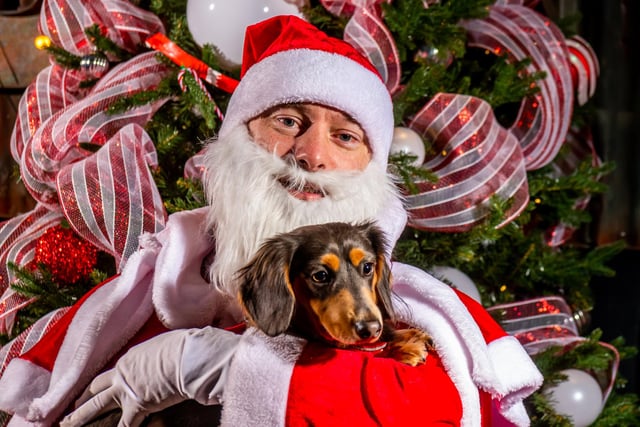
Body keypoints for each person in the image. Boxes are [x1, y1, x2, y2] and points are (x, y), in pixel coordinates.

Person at [0, 15, 543, 427]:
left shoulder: (422, 315)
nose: (311, 156)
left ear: (369, 170)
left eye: (344, 136)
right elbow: (36, 393)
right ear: (241, 138)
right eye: (288, 121)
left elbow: (435, 410)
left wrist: (219, 364)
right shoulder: (152, 290)